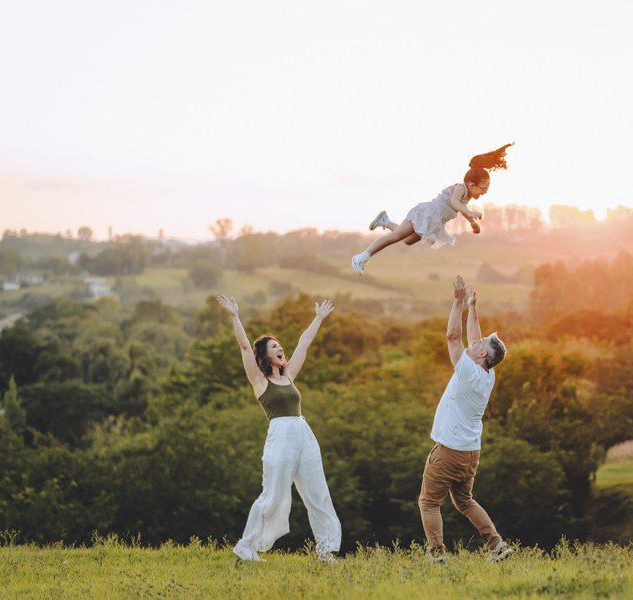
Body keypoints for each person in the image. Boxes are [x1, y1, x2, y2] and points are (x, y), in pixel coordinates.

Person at [216, 294, 341, 563]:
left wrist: (318, 318)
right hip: (280, 436)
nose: (279, 348)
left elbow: (304, 343)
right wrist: (235, 316)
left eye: (279, 345)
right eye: (274, 346)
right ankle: (247, 546)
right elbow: (245, 348)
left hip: (303, 433)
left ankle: (326, 550)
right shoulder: (260, 382)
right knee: (273, 495)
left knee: (317, 492)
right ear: (266, 354)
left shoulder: (288, 376)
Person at [418, 275, 512, 563]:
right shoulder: (487, 372)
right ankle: (496, 546)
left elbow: (454, 337)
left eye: (480, 343)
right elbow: (474, 337)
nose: (477, 342)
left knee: (429, 502)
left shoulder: (468, 370)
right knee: (465, 501)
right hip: (470, 452)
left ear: (481, 354)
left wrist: (457, 301)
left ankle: (436, 555)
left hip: (449, 451)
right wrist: (473, 307)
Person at [351, 143, 513, 274]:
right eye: (483, 188)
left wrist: (471, 222)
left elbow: (462, 206)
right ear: (472, 184)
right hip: (425, 214)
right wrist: (470, 213)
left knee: (408, 240)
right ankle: (361, 257)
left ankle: (385, 221)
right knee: (394, 237)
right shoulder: (460, 188)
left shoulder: (467, 195)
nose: (485, 192)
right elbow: (456, 203)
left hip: (433, 221)